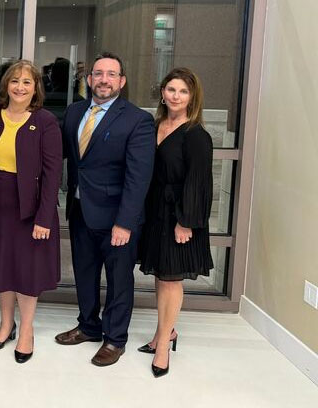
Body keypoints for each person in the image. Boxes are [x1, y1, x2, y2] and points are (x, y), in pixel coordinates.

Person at [54, 52, 155, 367]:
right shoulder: (74, 112)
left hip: (117, 218)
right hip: (81, 210)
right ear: (89, 79)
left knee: (118, 279)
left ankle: (115, 338)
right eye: (98, 73)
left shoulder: (137, 120)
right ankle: (88, 326)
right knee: (84, 273)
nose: (104, 80)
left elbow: (138, 178)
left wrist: (125, 222)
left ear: (121, 81)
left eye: (112, 74)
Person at [0, 60, 63, 363]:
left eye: (27, 82)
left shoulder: (46, 121)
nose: (20, 87)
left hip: (30, 208)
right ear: (5, 85)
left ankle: (26, 330)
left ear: (36, 87)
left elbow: (52, 174)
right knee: (3, 266)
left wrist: (44, 217)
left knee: (27, 271)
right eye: (15, 81)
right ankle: (6, 324)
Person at [137, 67, 213, 378]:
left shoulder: (196, 134)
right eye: (171, 90)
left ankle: (164, 348)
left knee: (171, 279)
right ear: (163, 93)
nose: (175, 96)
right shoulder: (156, 125)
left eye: (182, 91)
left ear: (192, 97)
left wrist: (186, 222)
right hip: (154, 210)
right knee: (160, 275)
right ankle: (163, 333)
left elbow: (199, 182)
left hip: (178, 214)